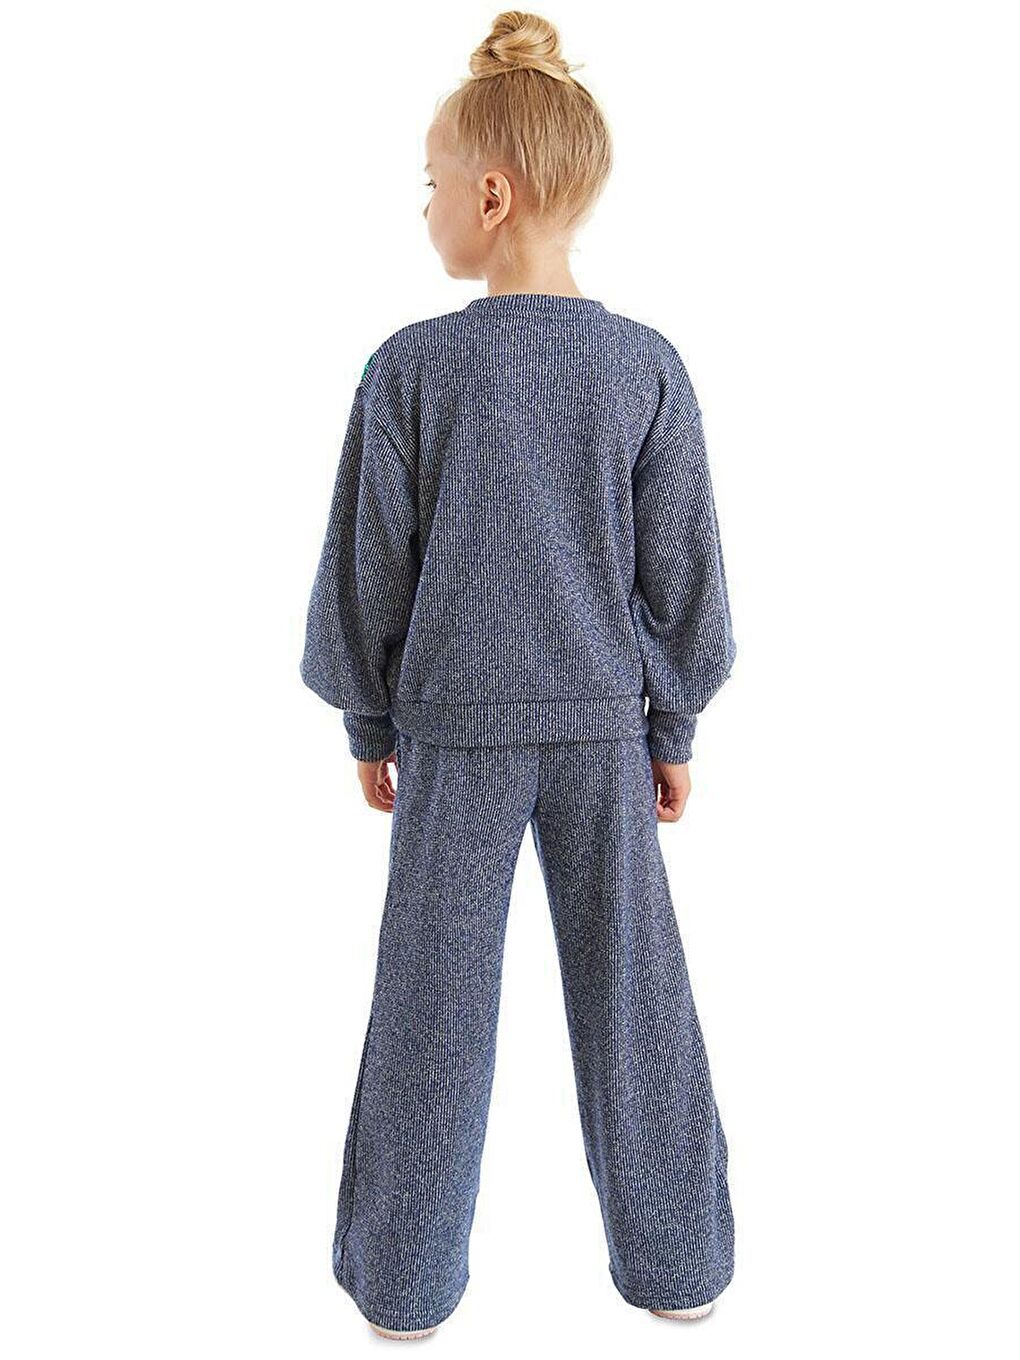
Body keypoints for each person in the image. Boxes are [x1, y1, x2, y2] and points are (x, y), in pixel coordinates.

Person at [301, 10, 737, 1342]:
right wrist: (672, 722)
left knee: (429, 1009)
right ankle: (680, 1269)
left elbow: (369, 564)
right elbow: (683, 571)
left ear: (491, 196)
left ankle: (403, 1288)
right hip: (606, 732)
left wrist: (368, 717)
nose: (425, 205)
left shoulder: (411, 368)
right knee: (635, 999)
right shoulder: (647, 368)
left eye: (430, 182)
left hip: (452, 737)